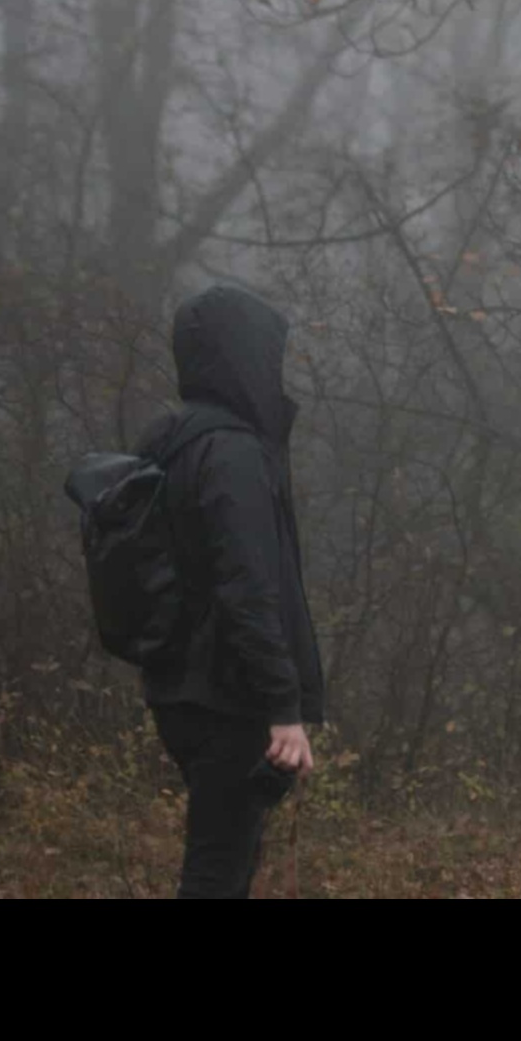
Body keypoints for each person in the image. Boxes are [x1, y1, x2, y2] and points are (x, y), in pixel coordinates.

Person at [135, 281, 325, 898]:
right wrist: (284, 708)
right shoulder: (233, 453)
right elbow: (246, 586)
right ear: (244, 355)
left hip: (179, 689)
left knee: (226, 861)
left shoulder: (167, 446)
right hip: (231, 695)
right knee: (218, 870)